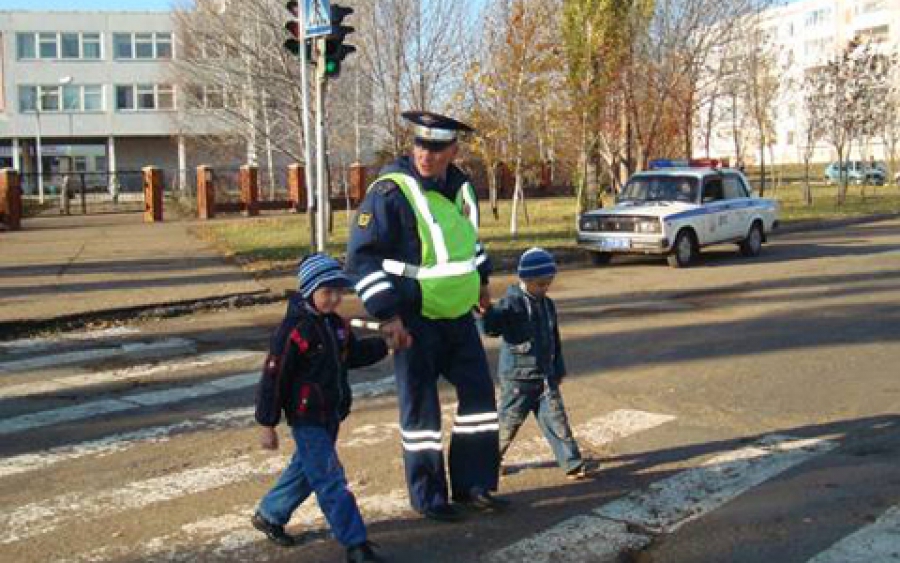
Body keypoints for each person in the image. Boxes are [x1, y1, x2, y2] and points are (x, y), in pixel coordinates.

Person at [345, 110, 506, 523]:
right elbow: (361, 260)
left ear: (453, 150)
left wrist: (482, 283)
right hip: (413, 317)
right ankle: (429, 496)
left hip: (458, 315)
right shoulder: (390, 191)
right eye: (420, 145)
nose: (426, 155)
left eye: (435, 148)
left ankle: (473, 484)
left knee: (480, 399)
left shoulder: (461, 187)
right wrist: (387, 315)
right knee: (422, 411)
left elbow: (469, 245)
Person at [252, 253, 389, 563]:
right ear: (308, 290)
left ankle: (270, 514)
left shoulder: (335, 325)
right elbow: (274, 376)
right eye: (327, 292)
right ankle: (356, 544)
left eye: (339, 291)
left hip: (331, 414)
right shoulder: (294, 330)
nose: (335, 298)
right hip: (306, 418)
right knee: (330, 479)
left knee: (305, 471)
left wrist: (385, 344)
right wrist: (267, 423)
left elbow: (352, 355)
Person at [481, 248, 587, 480]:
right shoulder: (511, 303)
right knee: (507, 425)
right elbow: (491, 329)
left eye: (548, 284)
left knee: (557, 420)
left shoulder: (548, 305)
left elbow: (554, 338)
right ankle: (489, 462)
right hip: (518, 379)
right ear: (525, 280)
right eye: (540, 284)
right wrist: (486, 313)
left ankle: (572, 462)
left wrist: (558, 367)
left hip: (546, 376)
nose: (544, 289)